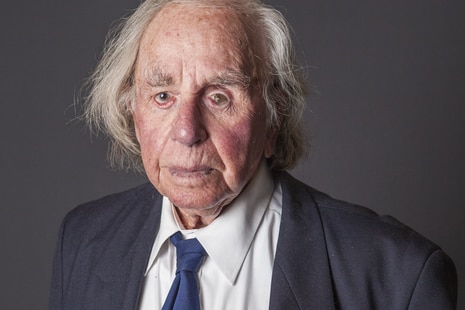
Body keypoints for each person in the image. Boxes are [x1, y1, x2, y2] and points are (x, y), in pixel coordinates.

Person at [49, 0, 457, 309]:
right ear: (132, 110)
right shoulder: (83, 240)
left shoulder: (402, 277)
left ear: (273, 117)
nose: (187, 131)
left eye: (220, 96)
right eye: (162, 96)